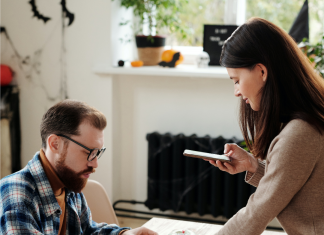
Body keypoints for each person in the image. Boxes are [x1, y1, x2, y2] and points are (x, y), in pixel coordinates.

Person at [208, 17, 324, 234]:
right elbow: (293, 185)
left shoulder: (299, 133)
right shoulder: (309, 120)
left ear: (262, 72)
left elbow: (256, 214)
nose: (236, 91)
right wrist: (254, 165)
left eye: (236, 80)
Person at [0, 100, 158, 235]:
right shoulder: (17, 196)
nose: (95, 164)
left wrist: (125, 233)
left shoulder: (68, 180)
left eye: (97, 153)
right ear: (55, 144)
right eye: (88, 152)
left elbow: (88, 230)